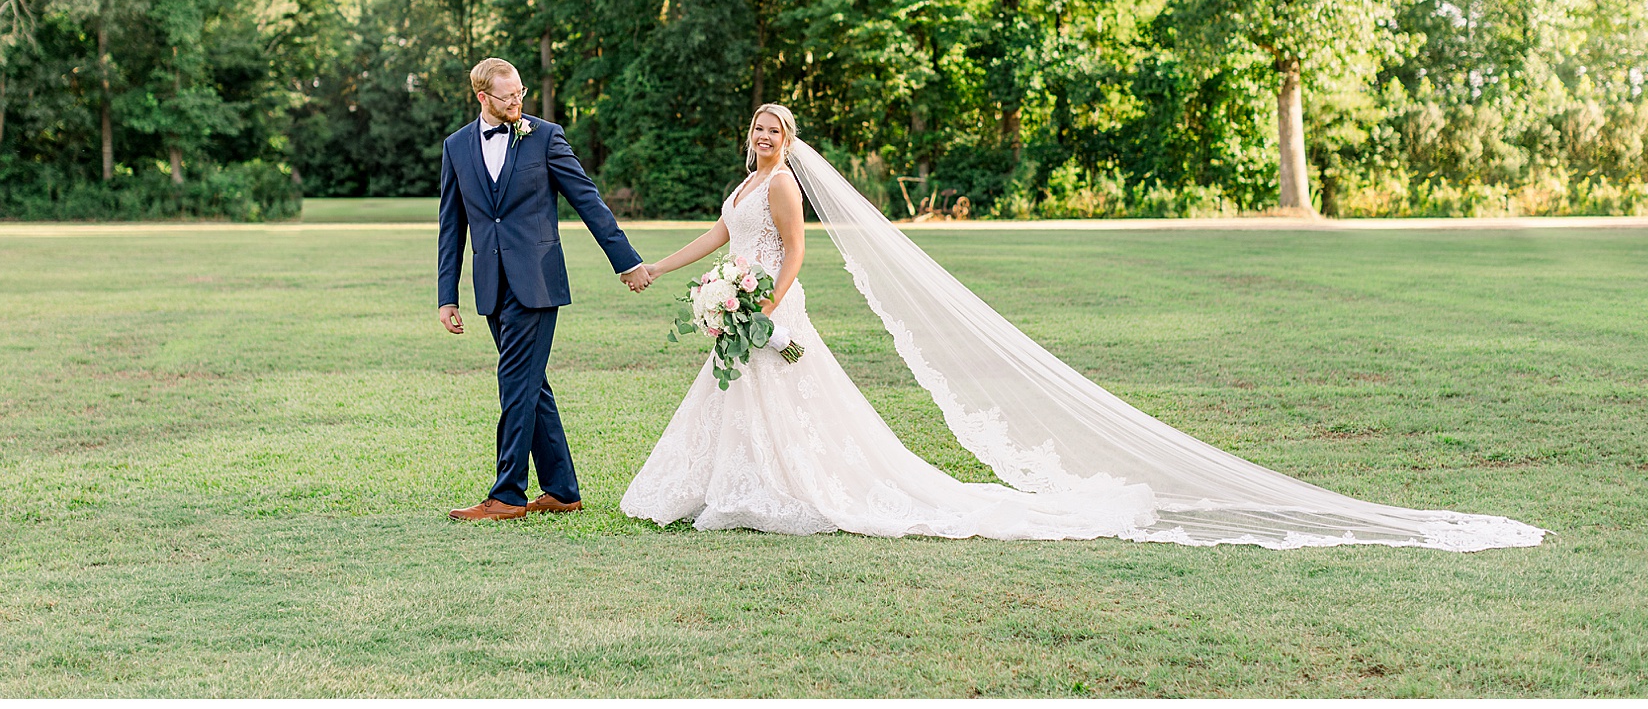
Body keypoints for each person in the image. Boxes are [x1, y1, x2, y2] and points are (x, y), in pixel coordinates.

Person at [621, 104, 1547, 550]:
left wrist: (765, 303)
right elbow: (721, 234)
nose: (766, 140)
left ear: (791, 145)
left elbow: (795, 253)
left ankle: (790, 494)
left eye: (777, 132)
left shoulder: (782, 187)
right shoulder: (743, 182)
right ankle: (727, 489)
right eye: (758, 130)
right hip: (738, 311)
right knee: (733, 401)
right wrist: (672, 267)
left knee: (800, 407)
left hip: (775, 314)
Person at [437, 57, 654, 522]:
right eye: (507, 96)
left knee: (514, 382)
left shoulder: (546, 136)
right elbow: (451, 225)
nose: (517, 102)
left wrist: (627, 260)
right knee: (531, 386)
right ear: (483, 98)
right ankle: (561, 490)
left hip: (537, 282)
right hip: (491, 285)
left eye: (520, 93)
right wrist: (446, 295)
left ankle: (508, 494)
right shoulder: (456, 147)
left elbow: (588, 199)